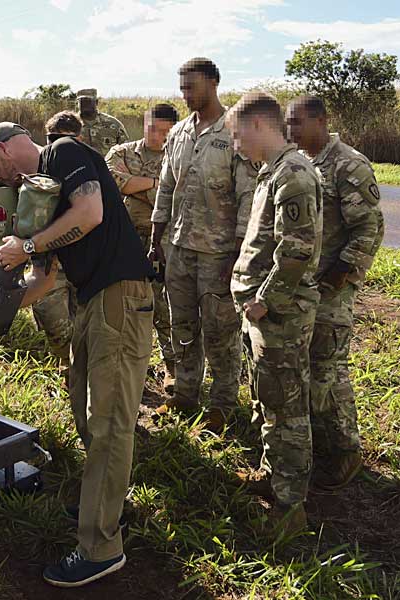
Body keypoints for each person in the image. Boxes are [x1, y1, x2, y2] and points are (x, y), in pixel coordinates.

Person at [0, 121, 155, 587]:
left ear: (5, 150)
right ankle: (107, 502)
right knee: (83, 409)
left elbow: (92, 212)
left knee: (109, 421)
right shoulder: (43, 195)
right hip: (90, 302)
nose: (3, 180)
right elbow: (45, 279)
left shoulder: (61, 152)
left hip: (117, 295)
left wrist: (28, 245)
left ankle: (100, 547)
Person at [228, 92, 322, 533]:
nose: (234, 144)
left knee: (287, 409)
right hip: (265, 316)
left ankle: (290, 509)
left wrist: (265, 301)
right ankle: (273, 477)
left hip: (280, 315)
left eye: (236, 134)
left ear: (259, 126)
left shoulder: (295, 175)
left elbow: (297, 249)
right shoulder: (272, 172)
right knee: (270, 401)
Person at [150, 58, 258, 432]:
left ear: (213, 83)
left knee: (219, 332)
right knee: (182, 325)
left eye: (191, 86)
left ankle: (223, 404)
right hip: (179, 246)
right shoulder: (179, 132)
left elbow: (248, 196)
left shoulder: (234, 134)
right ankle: (185, 393)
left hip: (220, 254)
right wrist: (156, 238)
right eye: (181, 88)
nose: (185, 94)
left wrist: (239, 252)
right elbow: (166, 187)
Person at [286, 96, 384, 490]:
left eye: (296, 123)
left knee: (329, 365)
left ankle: (347, 449)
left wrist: (340, 275)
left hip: (331, 287)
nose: (290, 130)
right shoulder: (299, 162)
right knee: (306, 365)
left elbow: (369, 228)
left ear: (321, 121)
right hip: (304, 286)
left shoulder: (349, 163)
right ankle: (319, 442)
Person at [106, 103, 179, 391]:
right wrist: (157, 185)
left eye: (165, 131)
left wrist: (135, 186)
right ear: (143, 124)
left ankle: (172, 367)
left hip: (161, 242)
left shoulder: (178, 157)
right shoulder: (121, 152)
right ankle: (127, 369)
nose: (158, 136)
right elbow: (114, 181)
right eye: (153, 128)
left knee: (164, 306)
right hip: (125, 242)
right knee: (125, 306)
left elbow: (175, 197)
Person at [29, 110, 82, 369]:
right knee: (55, 322)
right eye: (54, 140)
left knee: (85, 324)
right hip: (49, 262)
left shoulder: (87, 169)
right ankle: (68, 367)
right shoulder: (37, 167)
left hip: (81, 261)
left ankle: (80, 375)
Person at [76, 88, 129, 156]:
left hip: (107, 166)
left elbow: (126, 150)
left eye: (88, 101)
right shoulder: (71, 124)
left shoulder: (113, 124)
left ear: (96, 102)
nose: (85, 104)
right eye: (82, 101)